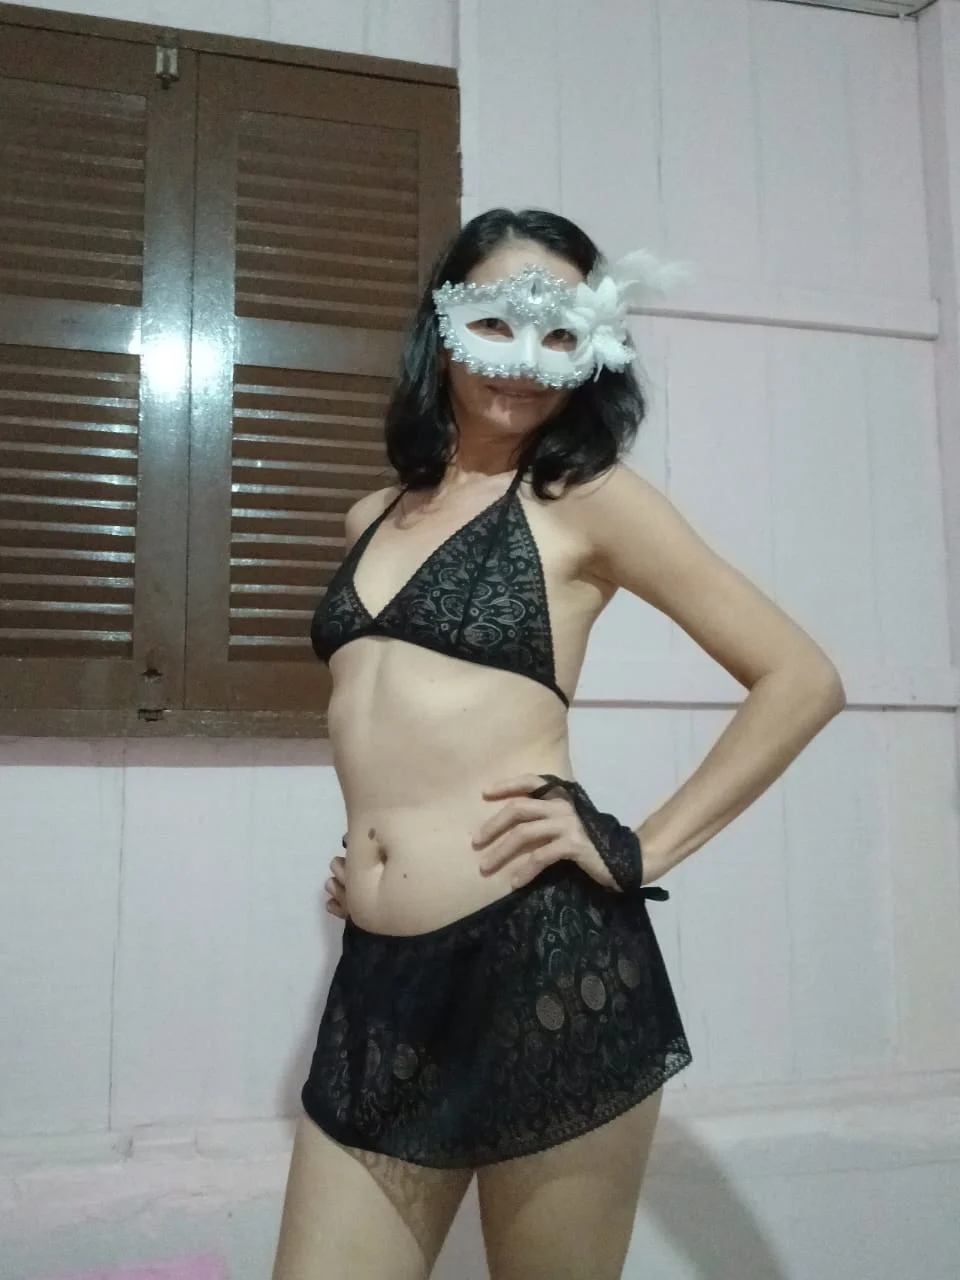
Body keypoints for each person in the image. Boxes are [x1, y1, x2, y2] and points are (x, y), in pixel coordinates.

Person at [271, 208, 846, 1280]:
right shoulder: (370, 517)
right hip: (379, 978)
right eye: (496, 320)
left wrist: (640, 847)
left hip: (544, 962)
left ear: (595, 349)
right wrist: (380, 853)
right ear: (443, 325)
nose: (524, 359)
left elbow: (802, 678)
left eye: (560, 333)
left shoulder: (588, 501)